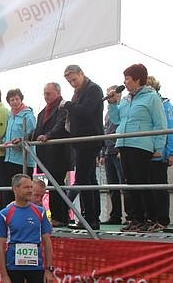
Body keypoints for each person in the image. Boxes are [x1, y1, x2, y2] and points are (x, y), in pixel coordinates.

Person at [107, 63, 167, 232]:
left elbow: (160, 123)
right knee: (130, 184)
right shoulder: (126, 99)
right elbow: (116, 119)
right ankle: (137, 218)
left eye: (127, 78)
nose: (125, 82)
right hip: (124, 143)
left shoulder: (151, 97)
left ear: (137, 79)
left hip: (141, 145)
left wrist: (158, 147)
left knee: (142, 182)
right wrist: (112, 104)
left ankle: (151, 218)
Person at [61, 65, 105, 230]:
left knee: (84, 179)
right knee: (89, 179)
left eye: (74, 79)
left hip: (89, 140)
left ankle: (90, 218)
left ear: (82, 74)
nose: (73, 83)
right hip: (81, 140)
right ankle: (91, 217)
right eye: (70, 81)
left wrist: (67, 105)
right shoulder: (79, 92)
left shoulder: (93, 89)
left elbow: (86, 111)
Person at [34, 83, 72, 226]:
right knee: (53, 184)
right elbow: (37, 131)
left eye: (48, 93)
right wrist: (24, 137)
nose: (46, 96)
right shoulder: (43, 112)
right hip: (46, 154)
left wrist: (48, 135)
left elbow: (61, 126)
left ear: (58, 92)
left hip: (58, 153)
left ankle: (60, 216)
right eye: (44, 93)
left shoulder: (63, 107)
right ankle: (58, 215)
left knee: (57, 183)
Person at [146, 75, 173, 231]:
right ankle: (150, 218)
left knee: (159, 187)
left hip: (160, 153)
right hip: (145, 152)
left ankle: (162, 219)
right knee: (146, 187)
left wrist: (171, 152)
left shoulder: (166, 105)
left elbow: (172, 128)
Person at [100, 85, 127, 225]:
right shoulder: (108, 113)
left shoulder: (123, 108)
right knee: (112, 185)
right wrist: (102, 153)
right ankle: (115, 215)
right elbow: (106, 132)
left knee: (124, 184)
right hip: (109, 151)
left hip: (118, 150)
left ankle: (130, 216)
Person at [3, 88, 37, 177]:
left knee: (24, 183)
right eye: (12, 100)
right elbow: (7, 134)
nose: (15, 102)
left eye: (17, 99)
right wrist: (2, 141)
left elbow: (33, 134)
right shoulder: (10, 116)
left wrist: (21, 139)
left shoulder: (28, 115)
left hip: (24, 159)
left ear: (21, 99)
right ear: (8, 102)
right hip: (10, 158)